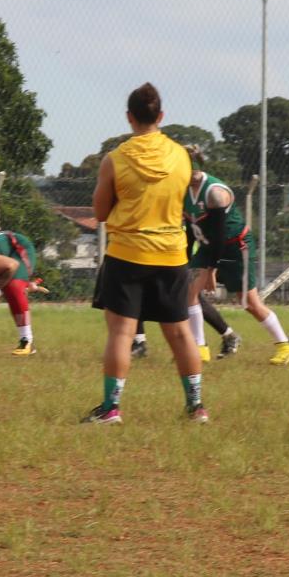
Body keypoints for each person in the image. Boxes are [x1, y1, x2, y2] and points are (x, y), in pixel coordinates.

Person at [83, 84, 205, 423]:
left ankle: (111, 408)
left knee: (122, 333)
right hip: (171, 254)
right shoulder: (181, 155)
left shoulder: (116, 159)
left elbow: (102, 212)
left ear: (129, 118)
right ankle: (196, 406)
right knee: (180, 332)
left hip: (127, 254)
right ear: (161, 116)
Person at [184, 152, 289, 366]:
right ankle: (199, 349)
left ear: (194, 171)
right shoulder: (181, 190)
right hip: (209, 244)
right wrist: (186, 261)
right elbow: (191, 231)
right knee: (189, 292)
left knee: (249, 302)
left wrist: (211, 271)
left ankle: (286, 345)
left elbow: (219, 236)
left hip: (236, 246)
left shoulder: (214, 193)